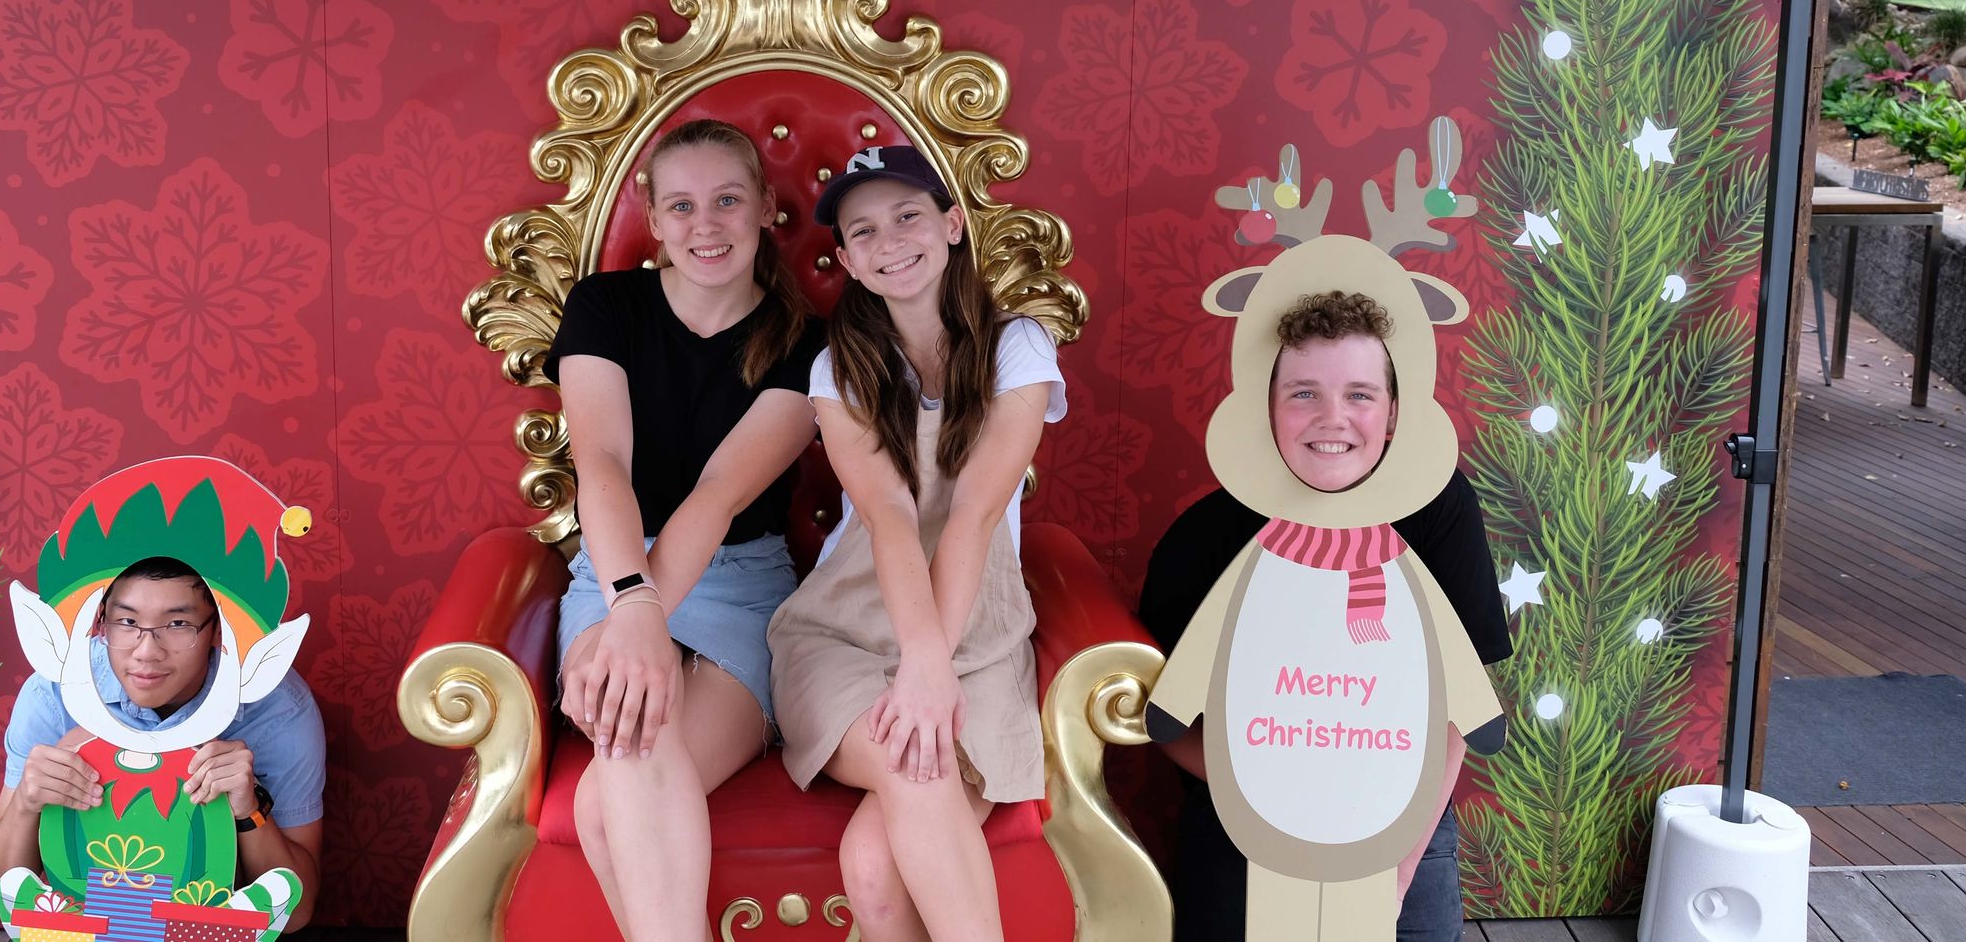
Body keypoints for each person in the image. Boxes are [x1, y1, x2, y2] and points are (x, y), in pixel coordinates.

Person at [1137, 291, 1511, 942]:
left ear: (1393, 414)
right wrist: (1274, 794)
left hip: (1404, 813)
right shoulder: (1206, 537)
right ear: (1267, 408)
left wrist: (1396, 873)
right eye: (1304, 392)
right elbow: (1161, 712)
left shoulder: (1438, 506)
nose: (1332, 417)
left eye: (1360, 394)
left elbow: (1459, 701)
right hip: (1244, 818)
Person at [768, 144, 1064, 942]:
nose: (889, 241)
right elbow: (890, 516)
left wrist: (934, 664)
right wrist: (916, 661)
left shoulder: (1018, 347)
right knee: (912, 775)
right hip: (847, 628)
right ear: (846, 260)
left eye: (908, 216)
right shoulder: (839, 370)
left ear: (953, 224)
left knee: (872, 864)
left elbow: (973, 511)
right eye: (863, 231)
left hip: (977, 631)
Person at [549, 118, 823, 942]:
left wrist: (644, 615)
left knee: (608, 798)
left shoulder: (806, 341)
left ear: (765, 208)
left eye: (728, 200)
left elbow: (717, 495)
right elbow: (600, 462)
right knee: (634, 743)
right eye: (682, 205)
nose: (706, 224)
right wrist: (630, 603)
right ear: (655, 218)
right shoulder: (606, 307)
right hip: (614, 564)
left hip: (742, 586)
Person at [0, 555, 325, 932]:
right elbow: (1, 888)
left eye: (178, 624)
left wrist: (250, 810)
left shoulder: (279, 708)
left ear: (219, 630)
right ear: (100, 623)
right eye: (127, 622)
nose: (146, 651)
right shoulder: (52, 694)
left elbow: (296, 914)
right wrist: (27, 801)